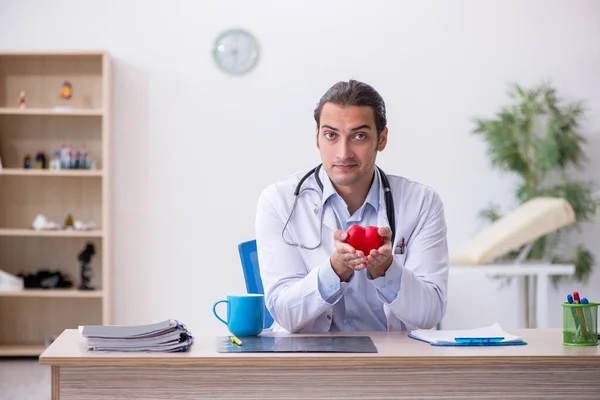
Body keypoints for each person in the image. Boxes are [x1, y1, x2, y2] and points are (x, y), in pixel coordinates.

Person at [255, 79, 449, 333]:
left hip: (390, 363)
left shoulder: (422, 203)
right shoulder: (280, 202)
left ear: (382, 139)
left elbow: (429, 314)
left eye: (359, 136)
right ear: (317, 138)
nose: (343, 152)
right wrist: (335, 270)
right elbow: (284, 314)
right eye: (331, 135)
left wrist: (386, 270)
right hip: (308, 363)